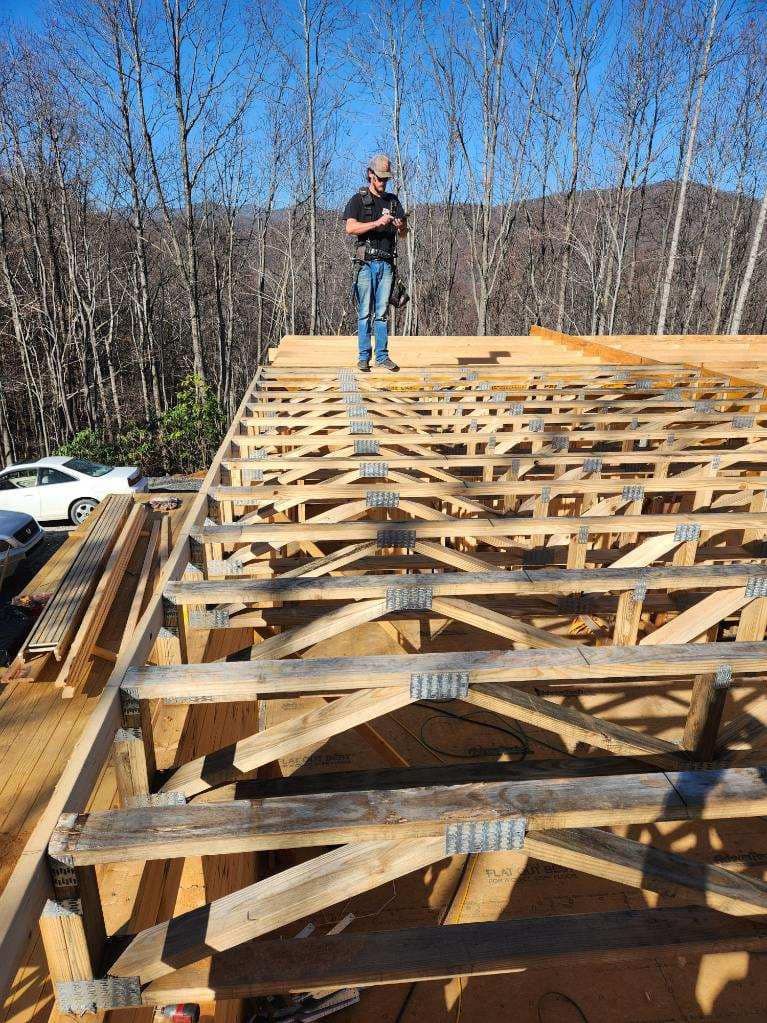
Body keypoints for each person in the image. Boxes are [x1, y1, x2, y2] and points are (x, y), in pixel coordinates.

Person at [343, 153, 408, 372]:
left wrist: (400, 227)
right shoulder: (358, 200)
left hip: (387, 264)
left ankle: (382, 357)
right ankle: (364, 357)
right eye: (379, 178)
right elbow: (350, 228)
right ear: (370, 174)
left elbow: (404, 235)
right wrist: (376, 223)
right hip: (366, 264)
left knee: (381, 314)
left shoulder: (393, 201)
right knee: (364, 313)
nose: (382, 182)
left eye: (386, 179)